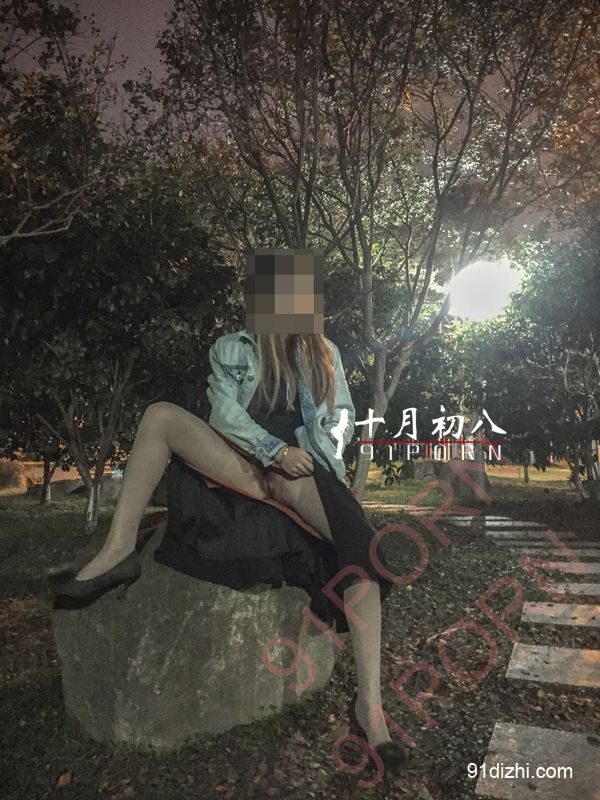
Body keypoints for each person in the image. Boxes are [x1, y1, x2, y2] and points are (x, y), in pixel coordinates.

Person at [47, 248, 406, 777]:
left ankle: (369, 708)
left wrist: (314, 464)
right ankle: (118, 550)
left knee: (361, 554)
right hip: (242, 460)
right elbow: (223, 413)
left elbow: (340, 419)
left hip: (299, 471)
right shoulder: (231, 348)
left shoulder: (323, 350)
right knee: (160, 416)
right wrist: (271, 452)